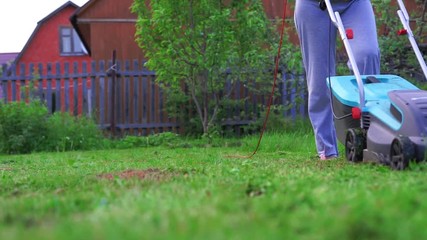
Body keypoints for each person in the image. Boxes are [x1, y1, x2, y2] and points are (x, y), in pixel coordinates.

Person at [294, 0, 380, 160]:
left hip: (353, 3)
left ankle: (373, 139)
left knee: (367, 55)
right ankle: (327, 150)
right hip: (313, 5)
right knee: (320, 80)